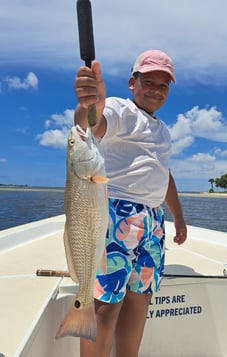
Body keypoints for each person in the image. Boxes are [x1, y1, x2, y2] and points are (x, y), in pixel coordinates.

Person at [74, 49, 187, 357]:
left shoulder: (163, 130)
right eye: (148, 81)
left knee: (140, 301)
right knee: (106, 306)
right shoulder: (120, 110)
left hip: (153, 221)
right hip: (117, 215)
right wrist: (89, 104)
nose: (155, 89)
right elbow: (90, 126)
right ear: (131, 83)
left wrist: (177, 217)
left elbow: (164, 175)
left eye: (163, 85)